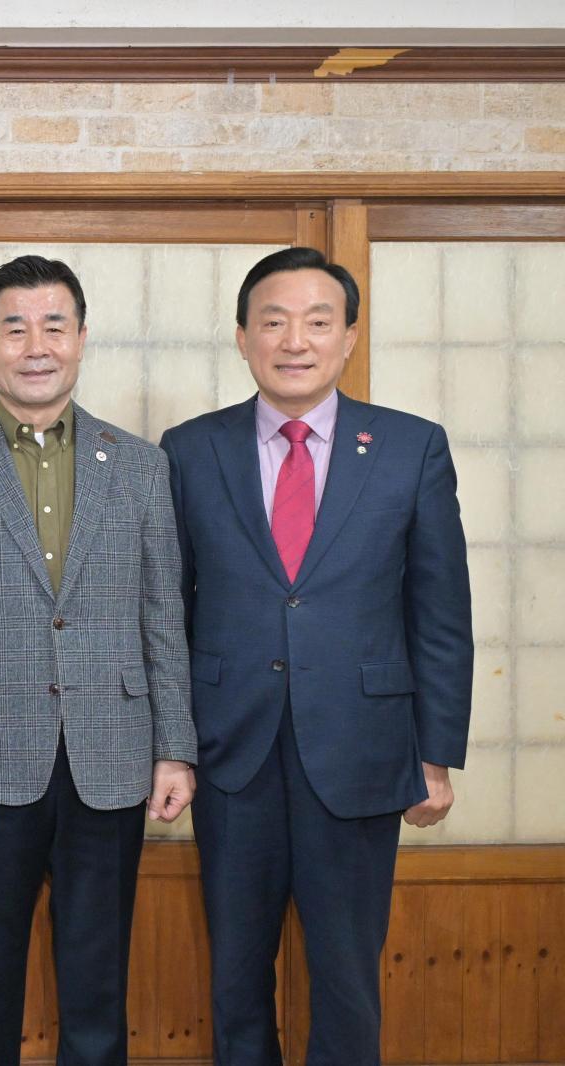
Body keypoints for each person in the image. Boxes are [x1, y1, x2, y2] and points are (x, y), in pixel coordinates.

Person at [159, 246, 472, 1065]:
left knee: (345, 978)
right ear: (243, 336)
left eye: (317, 321)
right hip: (233, 751)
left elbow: (439, 612)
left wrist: (435, 757)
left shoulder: (411, 447)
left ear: (349, 338)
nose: (294, 340)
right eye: (274, 320)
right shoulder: (191, 450)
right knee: (236, 978)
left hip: (362, 751)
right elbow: (166, 609)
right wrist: (173, 746)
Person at [0, 254, 196, 1066]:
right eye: (15, 327)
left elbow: (163, 614)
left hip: (112, 753)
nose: (36, 345)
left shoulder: (139, 465)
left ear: (81, 339)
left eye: (53, 325)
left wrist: (175, 748)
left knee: (98, 982)